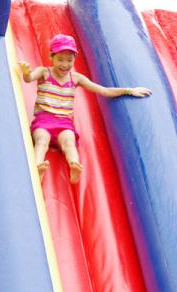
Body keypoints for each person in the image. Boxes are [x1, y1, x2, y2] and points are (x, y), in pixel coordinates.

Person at [20, 33, 152, 183]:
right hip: (43, 121)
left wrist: (129, 90)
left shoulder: (76, 78)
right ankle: (37, 168)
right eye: (60, 59)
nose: (65, 64)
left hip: (64, 123)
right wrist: (26, 73)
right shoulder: (44, 72)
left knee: (69, 142)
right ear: (51, 57)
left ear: (74, 59)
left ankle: (74, 166)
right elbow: (29, 79)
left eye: (69, 60)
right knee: (41, 140)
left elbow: (104, 90)